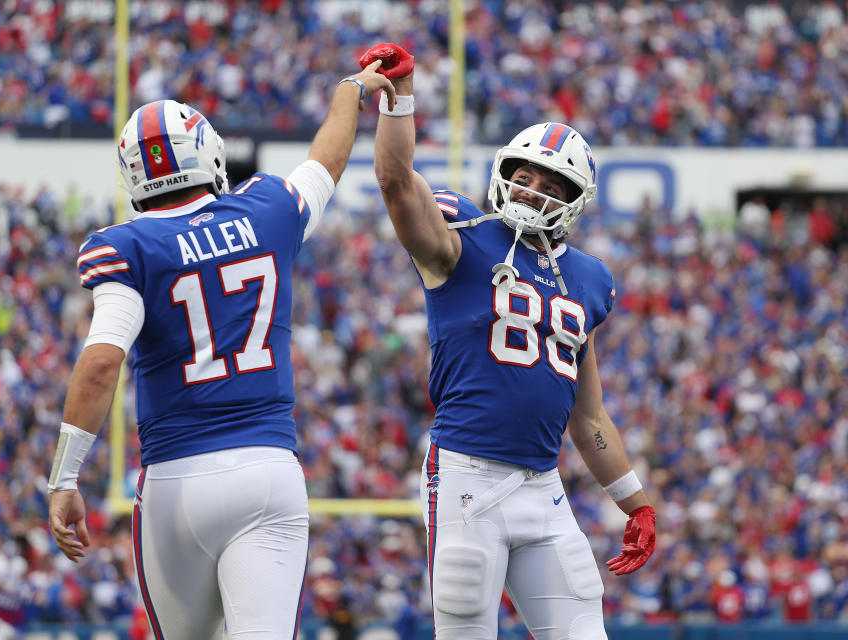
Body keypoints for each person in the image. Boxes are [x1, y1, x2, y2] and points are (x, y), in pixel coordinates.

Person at [46, 61, 396, 639]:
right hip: (268, 470)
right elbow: (326, 162)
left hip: (178, 479)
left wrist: (66, 477)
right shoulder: (267, 210)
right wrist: (351, 91)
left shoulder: (129, 246)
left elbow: (103, 360)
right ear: (209, 152)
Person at [361, 43, 656, 639]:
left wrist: (634, 501)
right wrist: (401, 101)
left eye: (548, 182)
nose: (529, 190)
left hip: (543, 487)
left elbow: (588, 412)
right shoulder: (462, 242)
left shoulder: (591, 279)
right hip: (467, 477)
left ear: (575, 201)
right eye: (521, 176)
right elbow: (395, 181)